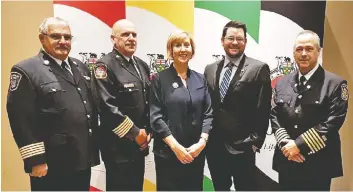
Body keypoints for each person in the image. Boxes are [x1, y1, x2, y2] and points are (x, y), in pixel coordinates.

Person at [6, 17, 100, 191]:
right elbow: (20, 119)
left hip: (81, 159)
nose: (63, 41)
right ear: (42, 39)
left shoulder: (81, 67)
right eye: (56, 36)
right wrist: (35, 160)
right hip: (51, 163)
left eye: (67, 37)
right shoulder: (27, 70)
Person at [271, 30, 349, 191]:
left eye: (309, 48)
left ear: (318, 51)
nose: (304, 53)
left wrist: (299, 145)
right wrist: (287, 145)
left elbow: (333, 121)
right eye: (299, 49)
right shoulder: (282, 83)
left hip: (318, 163)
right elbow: (274, 115)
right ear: (293, 53)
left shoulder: (335, 83)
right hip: (287, 160)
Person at [204, 20, 272, 191]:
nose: (235, 42)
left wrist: (254, 143)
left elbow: (263, 109)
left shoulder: (258, 68)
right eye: (230, 38)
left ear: (245, 42)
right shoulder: (209, 69)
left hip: (243, 147)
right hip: (214, 147)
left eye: (239, 39)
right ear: (222, 40)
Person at [92, 19, 151, 191]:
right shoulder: (104, 65)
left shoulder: (142, 65)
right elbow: (106, 106)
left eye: (134, 34)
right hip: (117, 146)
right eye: (125, 34)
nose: (131, 38)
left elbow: (147, 101)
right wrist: (135, 133)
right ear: (113, 39)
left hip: (140, 145)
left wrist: (147, 132)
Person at [150, 31, 213, 191]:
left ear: (192, 50)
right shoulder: (159, 79)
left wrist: (201, 143)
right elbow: (156, 117)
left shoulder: (200, 79)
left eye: (187, 45)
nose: (183, 49)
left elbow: (208, 113)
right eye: (178, 45)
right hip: (168, 153)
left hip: (195, 153)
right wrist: (176, 147)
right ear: (170, 51)